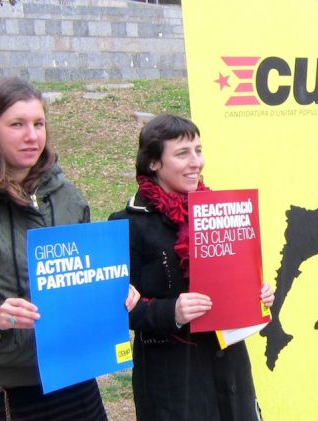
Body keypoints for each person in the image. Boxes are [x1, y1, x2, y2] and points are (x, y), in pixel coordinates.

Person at [0, 77, 139, 420]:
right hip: (2, 398)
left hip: (76, 388)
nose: (32, 136)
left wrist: (115, 290)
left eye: (38, 123)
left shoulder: (68, 198)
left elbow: (84, 276)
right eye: (17, 124)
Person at [109, 113, 275, 420]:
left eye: (198, 150)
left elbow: (236, 285)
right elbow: (116, 308)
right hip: (172, 376)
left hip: (228, 368)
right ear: (154, 163)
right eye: (182, 153)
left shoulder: (222, 212)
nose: (195, 162)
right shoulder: (128, 224)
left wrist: (258, 294)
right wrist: (170, 311)